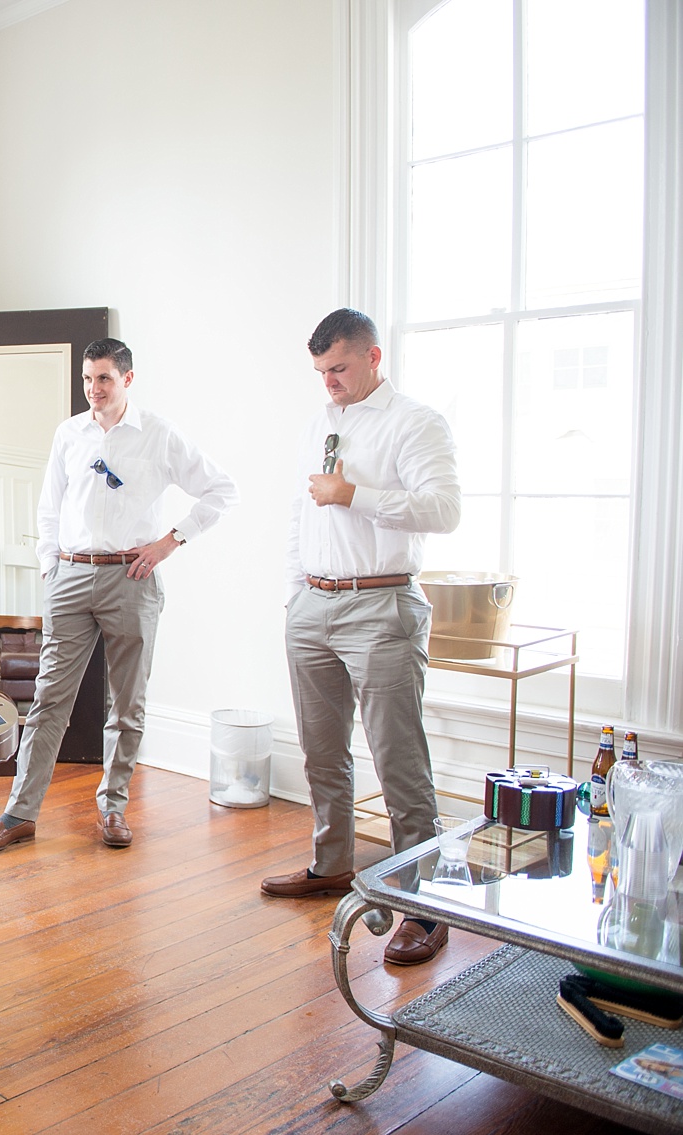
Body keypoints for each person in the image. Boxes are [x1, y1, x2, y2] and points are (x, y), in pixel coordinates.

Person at [0, 338, 237, 854]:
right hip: (70, 576)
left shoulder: (159, 435)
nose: (94, 389)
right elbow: (49, 508)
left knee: (128, 706)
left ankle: (112, 808)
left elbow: (222, 490)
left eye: (105, 379)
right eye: (88, 379)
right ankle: (18, 814)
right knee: (49, 701)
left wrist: (168, 543)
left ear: (127, 380)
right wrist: (51, 567)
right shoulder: (69, 434)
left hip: (131, 581)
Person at [260, 307, 460, 968]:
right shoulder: (320, 421)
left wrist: (355, 495)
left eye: (339, 368)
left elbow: (443, 509)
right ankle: (332, 865)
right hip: (313, 604)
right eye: (321, 371)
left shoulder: (417, 422)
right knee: (322, 752)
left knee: (398, 759)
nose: (329, 383)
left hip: (382, 604)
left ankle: (425, 908)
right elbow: (297, 510)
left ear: (375, 357)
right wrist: (296, 592)